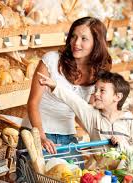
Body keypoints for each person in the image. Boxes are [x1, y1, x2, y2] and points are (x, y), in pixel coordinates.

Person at [20, 16, 112, 154]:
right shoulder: (51, 60)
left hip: (68, 136)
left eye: (84, 39)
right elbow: (33, 103)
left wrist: (100, 134)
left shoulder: (97, 73)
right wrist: (41, 137)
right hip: (36, 132)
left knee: (74, 175)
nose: (76, 43)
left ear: (96, 43)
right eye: (73, 36)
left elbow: (81, 113)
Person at [38, 71, 133, 159]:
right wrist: (54, 85)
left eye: (102, 90)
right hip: (98, 175)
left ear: (117, 97)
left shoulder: (129, 120)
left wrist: (124, 146)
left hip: (123, 175)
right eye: (96, 89)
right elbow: (74, 100)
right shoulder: (92, 116)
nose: (96, 94)